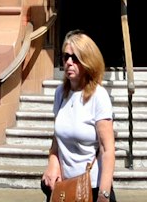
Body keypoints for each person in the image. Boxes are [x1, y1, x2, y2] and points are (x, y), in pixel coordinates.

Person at [41, 30, 115, 202]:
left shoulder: (99, 96)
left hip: (92, 187)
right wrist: (53, 163)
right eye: (65, 57)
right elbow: (57, 139)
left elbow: (107, 149)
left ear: (88, 61)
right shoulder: (61, 93)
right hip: (64, 187)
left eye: (75, 58)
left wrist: (104, 193)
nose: (68, 62)